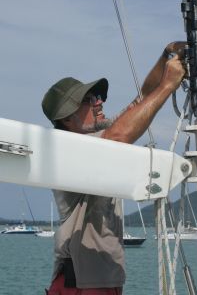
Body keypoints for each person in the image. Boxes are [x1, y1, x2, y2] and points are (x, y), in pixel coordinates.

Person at [42, 41, 186, 295]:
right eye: (89, 99)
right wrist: (168, 85)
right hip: (81, 283)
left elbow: (141, 101)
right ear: (67, 118)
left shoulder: (98, 139)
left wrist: (167, 56)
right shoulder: (69, 148)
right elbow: (119, 137)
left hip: (99, 279)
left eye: (99, 97)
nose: (99, 103)